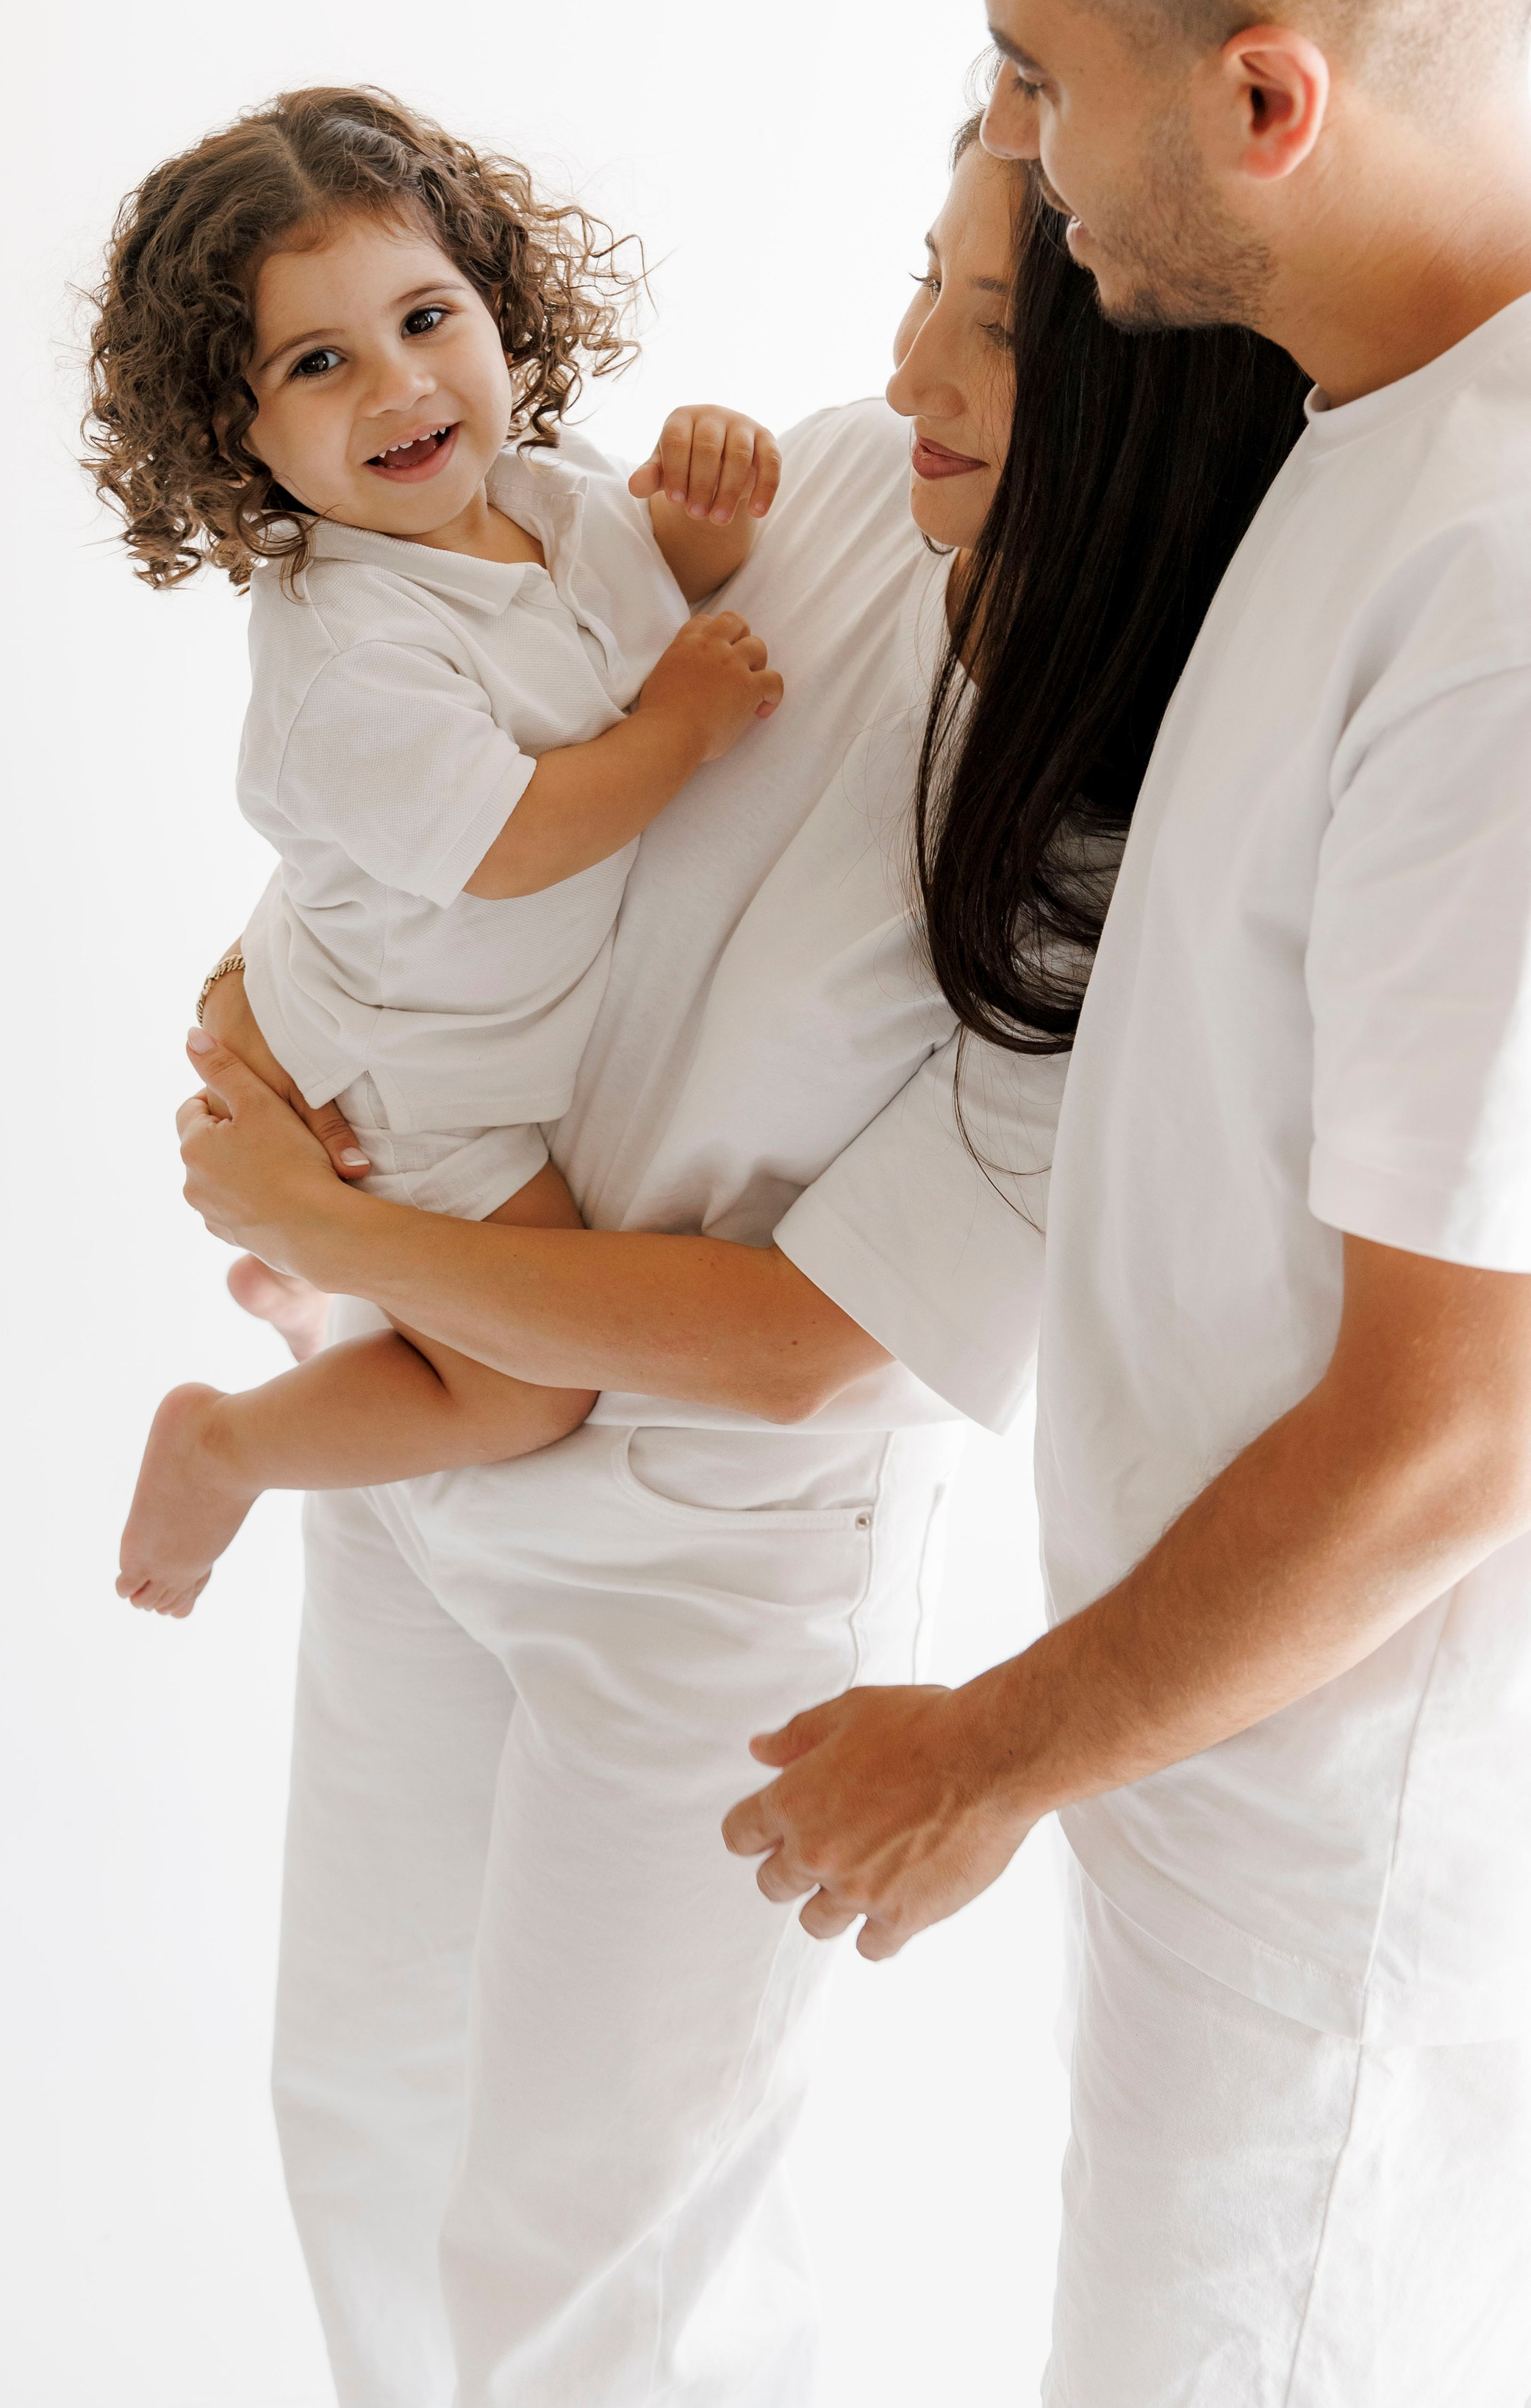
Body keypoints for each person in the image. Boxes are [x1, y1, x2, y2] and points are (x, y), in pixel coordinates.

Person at [175, 118, 1305, 2404]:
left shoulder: (1134, 820)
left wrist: (338, 1224)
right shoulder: (847, 486)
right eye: (922, 282)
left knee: (596, 2259)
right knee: (366, 2114)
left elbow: (808, 1345)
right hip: (429, 1437)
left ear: (1148, 394)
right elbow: (451, 807)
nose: (905, 368)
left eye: (990, 332)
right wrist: (262, 1035)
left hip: (694, 1576)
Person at [717, 0, 1531, 2406]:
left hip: (1346, 1910)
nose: (1019, 145)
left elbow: (1461, 1425)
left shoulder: (1503, 581)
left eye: (1041, 74)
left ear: (1266, 99)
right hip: (1246, 1832)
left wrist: (987, 1747)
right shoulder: (1369, 430)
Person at [83, 86, 789, 1614]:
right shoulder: (346, 649)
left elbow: (640, 596)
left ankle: (318, 1288)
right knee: (526, 1387)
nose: (398, 387)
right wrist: (680, 730)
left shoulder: (541, 488)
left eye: (424, 319)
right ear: (233, 430)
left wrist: (707, 522)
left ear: (496, 303)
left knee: (451, 1301)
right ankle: (226, 1447)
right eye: (317, 362)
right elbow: (516, 841)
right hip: (411, 1067)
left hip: (379, 982)